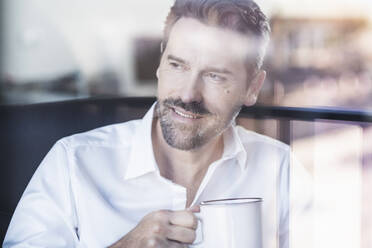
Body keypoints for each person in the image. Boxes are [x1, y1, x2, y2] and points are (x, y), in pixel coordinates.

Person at [3, 0, 312, 247]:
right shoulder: (73, 162)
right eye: (177, 65)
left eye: (215, 75)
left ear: (253, 88)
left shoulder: (280, 169)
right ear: (161, 63)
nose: (189, 94)